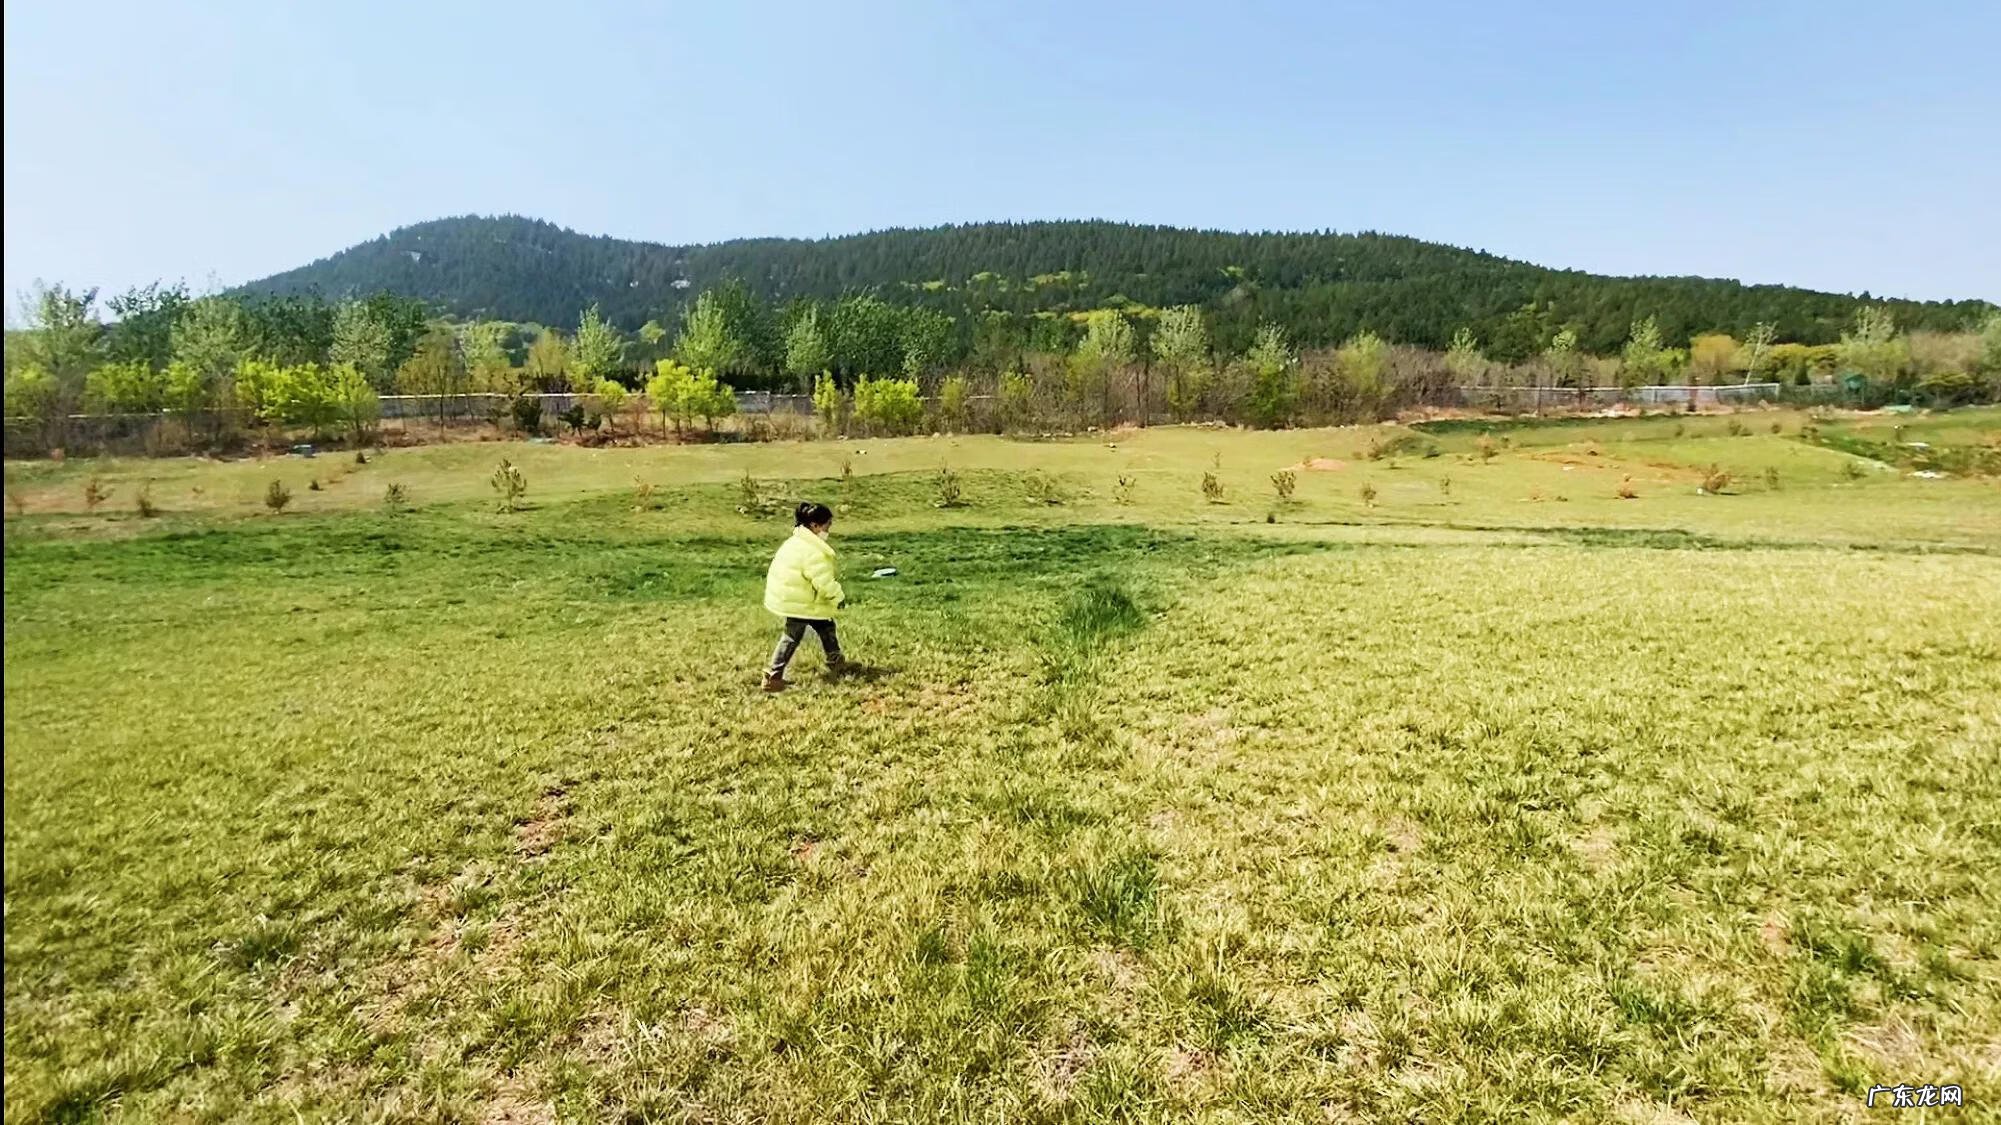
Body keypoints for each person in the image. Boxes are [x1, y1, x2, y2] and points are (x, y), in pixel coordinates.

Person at [761, 501, 846, 691]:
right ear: (815, 525)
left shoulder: (796, 542)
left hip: (795, 598)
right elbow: (823, 581)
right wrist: (837, 597)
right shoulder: (813, 551)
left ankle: (835, 659)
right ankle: (773, 676)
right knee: (792, 636)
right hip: (800, 602)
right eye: (827, 525)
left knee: (826, 625)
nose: (828, 530)